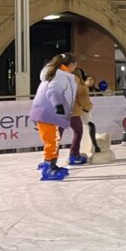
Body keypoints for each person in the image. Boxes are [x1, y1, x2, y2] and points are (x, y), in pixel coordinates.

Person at [29, 53, 78, 181]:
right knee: (52, 141)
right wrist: (59, 106)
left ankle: (51, 164)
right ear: (70, 65)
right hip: (48, 112)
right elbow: (53, 90)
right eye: (75, 65)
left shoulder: (55, 73)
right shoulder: (60, 76)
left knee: (52, 140)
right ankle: (48, 168)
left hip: (45, 112)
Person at [68, 67, 94, 165]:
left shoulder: (62, 82)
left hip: (59, 111)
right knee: (78, 132)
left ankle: (49, 160)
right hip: (73, 112)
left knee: (57, 136)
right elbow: (84, 99)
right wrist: (88, 108)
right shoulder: (80, 84)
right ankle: (74, 155)